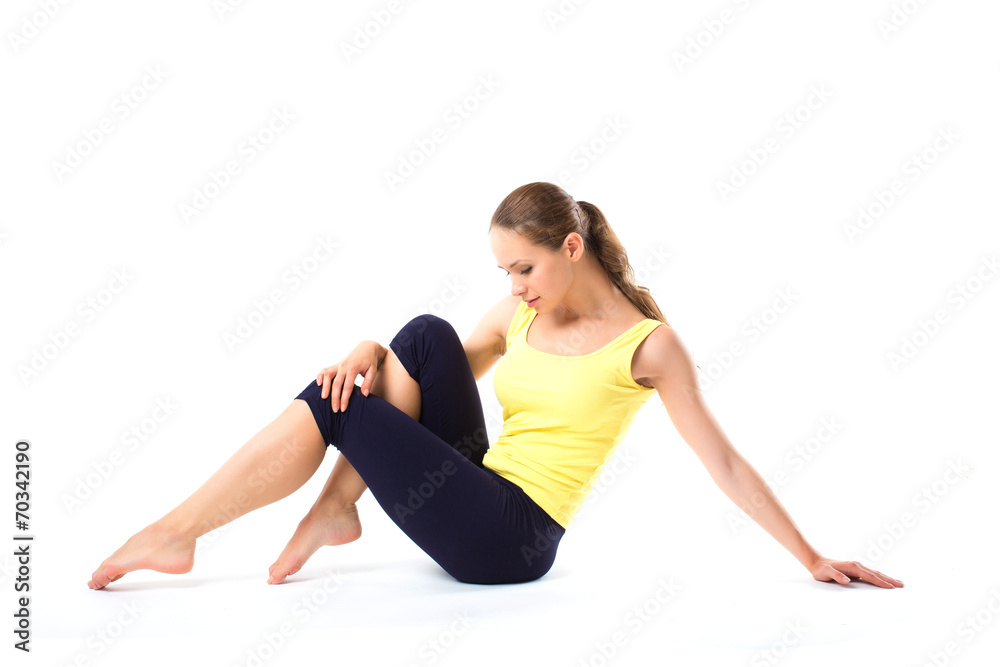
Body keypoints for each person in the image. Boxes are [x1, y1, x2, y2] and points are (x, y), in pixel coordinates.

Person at [88, 182, 903, 590]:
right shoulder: (519, 312)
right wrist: (367, 344)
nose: (515, 285)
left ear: (573, 248)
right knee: (421, 332)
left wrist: (811, 556)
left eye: (525, 266)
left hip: (512, 538)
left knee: (339, 402)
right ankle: (332, 510)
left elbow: (724, 463)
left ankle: (176, 531)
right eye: (504, 271)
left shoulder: (649, 346)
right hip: (475, 483)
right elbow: (413, 362)